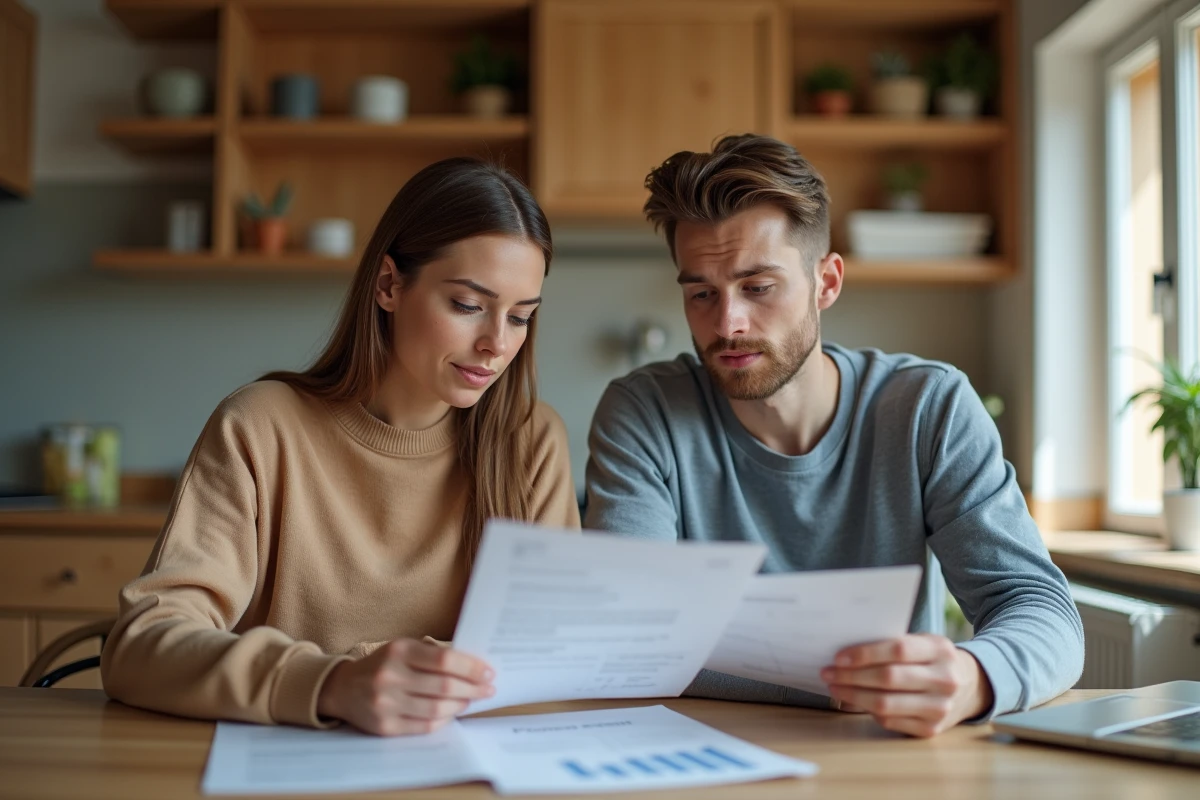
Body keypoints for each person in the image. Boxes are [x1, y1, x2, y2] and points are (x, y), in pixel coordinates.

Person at [583, 134, 1083, 738]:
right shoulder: (645, 412)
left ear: (827, 282)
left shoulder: (928, 407)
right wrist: (839, 681)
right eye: (701, 294)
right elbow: (632, 633)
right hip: (701, 748)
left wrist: (974, 676)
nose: (727, 322)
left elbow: (1040, 609)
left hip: (885, 749)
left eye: (758, 287)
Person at [102, 158, 580, 736]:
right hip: (280, 762)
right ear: (388, 285)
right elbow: (141, 645)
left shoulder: (530, 441)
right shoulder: (261, 426)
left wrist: (406, 680)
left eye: (521, 317)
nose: (496, 344)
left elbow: (552, 651)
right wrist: (332, 684)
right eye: (468, 305)